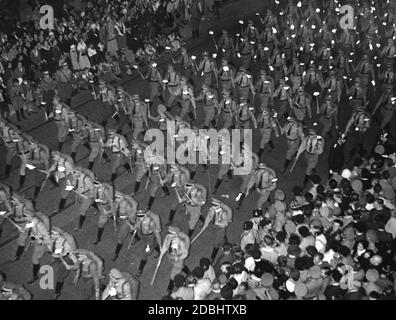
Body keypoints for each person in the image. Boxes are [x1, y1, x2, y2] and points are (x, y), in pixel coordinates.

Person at [161, 226, 191, 295]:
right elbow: (166, 245)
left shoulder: (180, 243)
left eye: (171, 233)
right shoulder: (169, 238)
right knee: (182, 266)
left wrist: (179, 257)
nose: (169, 234)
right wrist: (162, 252)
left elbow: (185, 253)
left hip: (178, 261)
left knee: (173, 275)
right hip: (172, 259)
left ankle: (169, 289)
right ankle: (188, 272)